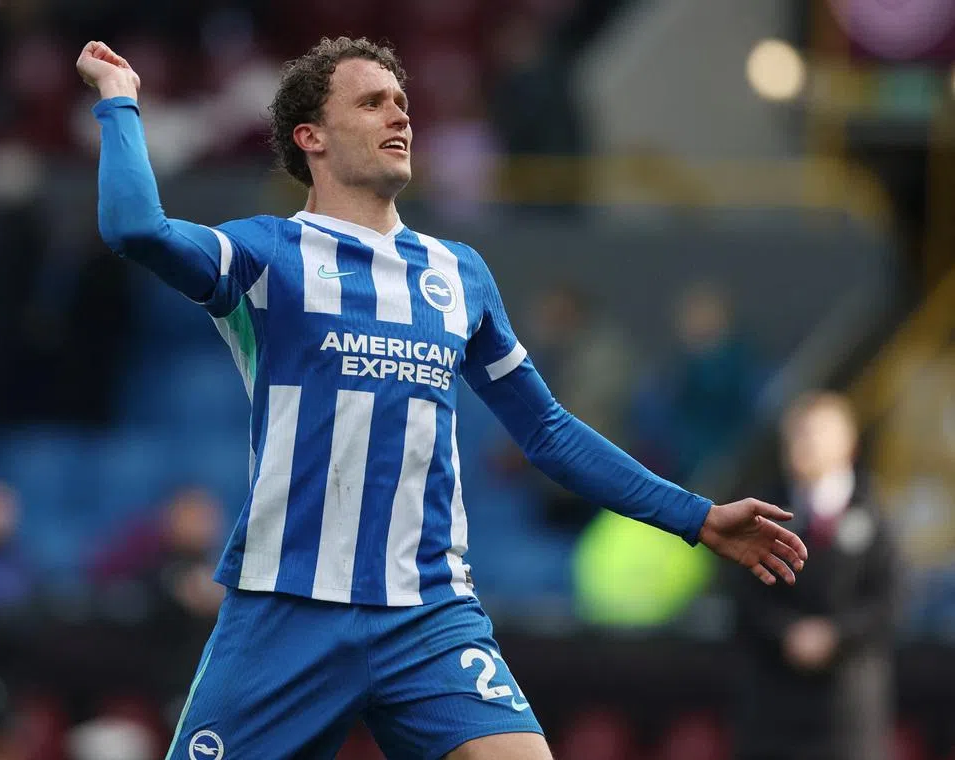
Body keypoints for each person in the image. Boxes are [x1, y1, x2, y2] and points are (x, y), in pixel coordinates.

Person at [77, 36, 809, 760]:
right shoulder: (268, 256)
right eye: (372, 103)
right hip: (287, 609)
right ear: (313, 138)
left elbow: (547, 431)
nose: (400, 117)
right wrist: (120, 104)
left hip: (428, 613)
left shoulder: (458, 274)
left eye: (402, 102)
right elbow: (135, 228)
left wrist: (697, 516)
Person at [733, 392, 899, 760]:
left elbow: (886, 600)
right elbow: (744, 595)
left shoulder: (873, 509)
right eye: (796, 433)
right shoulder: (763, 507)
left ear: (848, 443)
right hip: (772, 708)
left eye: (815, 432)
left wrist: (834, 636)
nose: (802, 442)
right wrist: (787, 633)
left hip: (848, 712)